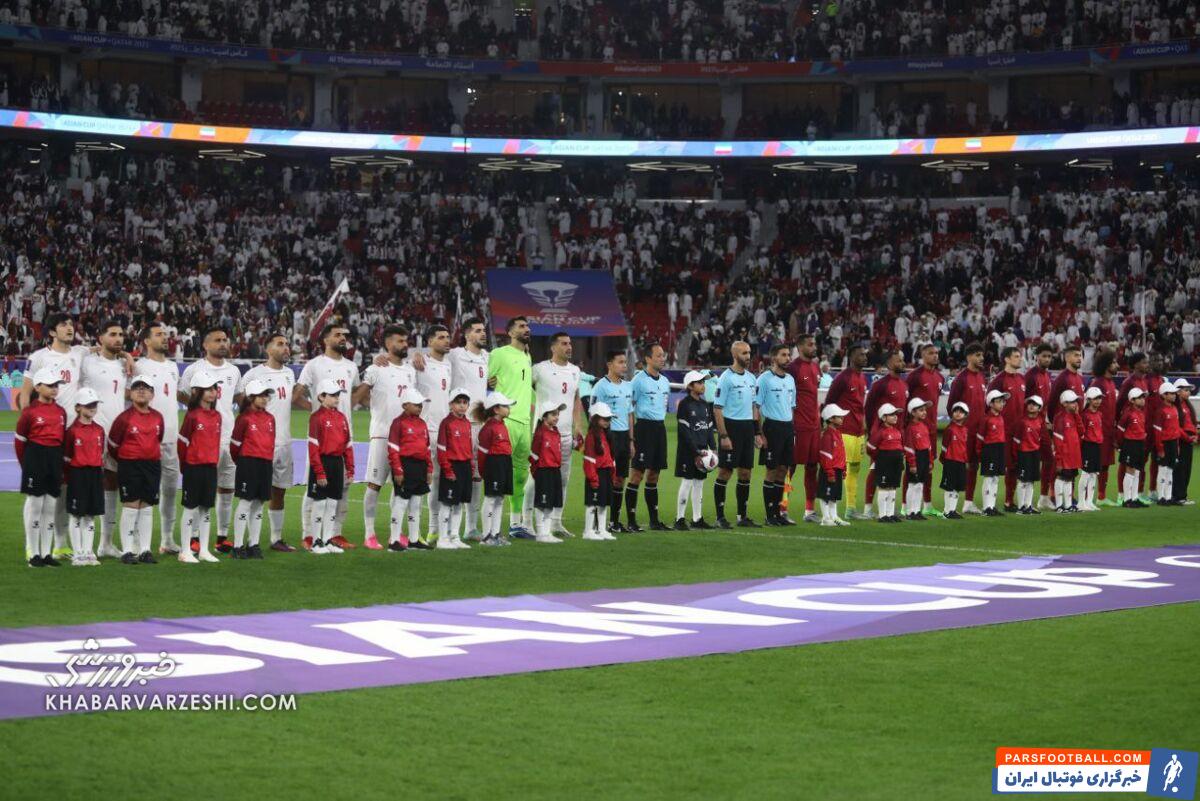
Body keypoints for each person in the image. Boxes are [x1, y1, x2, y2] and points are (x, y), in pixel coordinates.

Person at [19, 313, 92, 561]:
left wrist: (127, 356)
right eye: (63, 325)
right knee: (36, 495)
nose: (70, 328)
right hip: (45, 435)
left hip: (71, 433)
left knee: (61, 490)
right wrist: (30, 422)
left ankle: (59, 544)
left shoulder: (80, 353)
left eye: (71, 324)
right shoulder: (39, 357)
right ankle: (31, 547)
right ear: (51, 332)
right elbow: (25, 393)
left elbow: (103, 348)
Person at [296, 323, 360, 550]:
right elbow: (297, 393)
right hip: (321, 438)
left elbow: (357, 393)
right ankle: (308, 534)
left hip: (344, 433)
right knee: (314, 487)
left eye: (344, 335)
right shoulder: (314, 365)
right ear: (325, 340)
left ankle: (334, 534)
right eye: (337, 334)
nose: (343, 338)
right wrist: (316, 411)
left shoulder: (352, 366)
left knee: (342, 489)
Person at [178, 327, 242, 553]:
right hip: (203, 441)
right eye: (218, 340)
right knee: (200, 490)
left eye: (225, 340)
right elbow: (181, 393)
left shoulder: (234, 370)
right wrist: (199, 410)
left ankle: (222, 536)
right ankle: (194, 537)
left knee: (227, 489)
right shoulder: (194, 369)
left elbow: (239, 397)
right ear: (205, 345)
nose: (223, 343)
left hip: (228, 437)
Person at [237, 333, 300, 552]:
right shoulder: (254, 374)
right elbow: (242, 403)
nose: (286, 348)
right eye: (280, 344)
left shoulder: (290, 374)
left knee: (279, 491)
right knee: (254, 494)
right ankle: (247, 541)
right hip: (261, 446)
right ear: (268, 349)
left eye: (287, 344)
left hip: (285, 442)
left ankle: (276, 538)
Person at [354, 325, 415, 549]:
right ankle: (369, 534)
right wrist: (375, 406)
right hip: (382, 435)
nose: (405, 344)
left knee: (401, 486)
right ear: (388, 344)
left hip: (405, 438)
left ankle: (396, 533)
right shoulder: (376, 368)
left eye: (406, 341)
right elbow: (359, 397)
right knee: (374, 485)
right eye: (400, 341)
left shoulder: (410, 371)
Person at [81, 320, 133, 557]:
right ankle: (80, 544)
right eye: (112, 334)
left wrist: (127, 356)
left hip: (116, 435)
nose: (118, 338)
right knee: (88, 485)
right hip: (91, 433)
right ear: (100, 337)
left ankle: (106, 543)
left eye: (121, 334)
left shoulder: (124, 365)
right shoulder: (87, 361)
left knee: (112, 484)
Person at [134, 323, 183, 554]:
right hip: (147, 440)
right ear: (146, 341)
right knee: (142, 493)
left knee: (170, 492)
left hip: (171, 439)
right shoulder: (139, 366)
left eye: (165, 334)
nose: (165, 337)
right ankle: (136, 542)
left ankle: (167, 539)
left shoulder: (173, 367)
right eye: (158, 335)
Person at [530, 332, 585, 537]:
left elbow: (576, 398)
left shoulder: (575, 371)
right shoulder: (539, 369)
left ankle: (555, 523)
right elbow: (523, 389)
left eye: (570, 343)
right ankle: (526, 522)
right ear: (553, 347)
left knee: (563, 479)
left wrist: (578, 425)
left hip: (565, 435)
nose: (569, 347)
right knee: (536, 478)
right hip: (544, 436)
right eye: (564, 343)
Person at [108, 375, 166, 564]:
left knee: (147, 506)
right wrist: (127, 458)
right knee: (131, 505)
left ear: (152, 394)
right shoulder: (123, 418)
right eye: (136, 387)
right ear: (130, 394)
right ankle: (127, 551)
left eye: (146, 387)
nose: (141, 390)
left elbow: (158, 439)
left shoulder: (158, 417)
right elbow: (113, 445)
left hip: (152, 465)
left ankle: (145, 550)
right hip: (129, 465)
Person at [488, 316, 534, 538]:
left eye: (527, 326)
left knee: (520, 477)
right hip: (506, 422)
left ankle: (516, 524)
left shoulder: (527, 356)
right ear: (509, 332)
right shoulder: (499, 354)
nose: (527, 329)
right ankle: (489, 529)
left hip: (525, 423)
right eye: (521, 326)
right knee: (498, 475)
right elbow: (483, 380)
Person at [16, 368, 67, 567]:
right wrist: (27, 465)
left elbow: (62, 440)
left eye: (56, 385)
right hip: (35, 457)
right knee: (35, 504)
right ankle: (33, 553)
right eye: (50, 385)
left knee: (51, 505)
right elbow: (20, 441)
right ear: (37, 387)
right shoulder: (30, 412)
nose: (54, 389)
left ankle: (46, 553)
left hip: (54, 457)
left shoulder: (61, 412)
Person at [446, 317, 489, 540]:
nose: (483, 333)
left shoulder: (488, 357)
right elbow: (429, 356)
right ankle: (444, 528)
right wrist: (416, 357)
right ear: (466, 334)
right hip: (460, 425)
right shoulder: (455, 355)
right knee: (456, 474)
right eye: (478, 330)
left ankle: (470, 528)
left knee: (477, 477)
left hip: (481, 425)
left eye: (484, 330)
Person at [177, 372, 222, 563]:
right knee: (190, 508)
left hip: (210, 468)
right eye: (208, 389)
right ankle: (185, 551)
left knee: (206, 510)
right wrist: (185, 466)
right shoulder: (192, 416)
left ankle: (204, 549)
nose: (213, 392)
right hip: (193, 468)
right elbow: (182, 443)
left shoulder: (217, 416)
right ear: (198, 392)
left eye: (214, 388)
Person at [712, 341, 758, 528]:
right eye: (744, 353)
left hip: (747, 428)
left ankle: (742, 516)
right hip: (731, 428)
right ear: (734, 355)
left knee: (746, 473)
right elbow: (717, 408)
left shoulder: (751, 378)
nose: (748, 356)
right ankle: (720, 517)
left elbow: (754, 406)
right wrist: (723, 436)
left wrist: (757, 432)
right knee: (725, 471)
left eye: (749, 352)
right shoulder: (726, 378)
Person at [415, 324, 453, 546]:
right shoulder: (418, 363)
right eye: (441, 337)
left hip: (443, 432)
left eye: (448, 336)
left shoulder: (448, 364)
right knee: (421, 482)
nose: (446, 340)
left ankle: (433, 530)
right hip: (424, 431)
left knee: (438, 480)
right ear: (429, 341)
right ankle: (414, 532)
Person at [229, 380, 276, 559]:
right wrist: (242, 462)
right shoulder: (244, 418)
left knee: (259, 504)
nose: (264, 399)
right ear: (251, 397)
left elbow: (271, 442)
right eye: (260, 395)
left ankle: (253, 544)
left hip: (265, 463)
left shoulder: (270, 418)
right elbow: (234, 446)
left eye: (266, 395)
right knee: (246, 502)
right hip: (248, 463)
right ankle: (237, 546)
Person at [307, 379, 354, 554]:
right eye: (333, 395)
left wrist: (350, 468)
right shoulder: (316, 418)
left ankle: (327, 540)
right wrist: (319, 472)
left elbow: (347, 445)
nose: (337, 398)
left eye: (338, 395)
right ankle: (315, 542)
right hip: (322, 462)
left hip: (337, 464)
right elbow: (313, 447)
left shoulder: (342, 417)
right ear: (321, 396)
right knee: (320, 503)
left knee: (333, 503)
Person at [627, 344, 671, 531]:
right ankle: (631, 521)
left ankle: (654, 521)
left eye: (663, 355)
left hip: (660, 429)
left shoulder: (665, 381)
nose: (662, 358)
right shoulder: (638, 381)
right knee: (637, 474)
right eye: (658, 355)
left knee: (654, 475)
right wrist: (631, 437)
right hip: (643, 429)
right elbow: (629, 409)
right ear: (648, 359)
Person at [590, 350, 633, 532]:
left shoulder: (627, 386)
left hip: (623, 437)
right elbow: (593, 414)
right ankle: (596, 521)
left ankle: (614, 522)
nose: (624, 366)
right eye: (620, 362)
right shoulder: (600, 387)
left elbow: (630, 414)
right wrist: (598, 439)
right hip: (608, 436)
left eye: (625, 362)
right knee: (605, 478)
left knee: (620, 479)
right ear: (610, 364)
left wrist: (631, 440)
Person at [824, 345, 868, 519]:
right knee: (837, 470)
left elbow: (859, 406)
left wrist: (863, 426)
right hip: (844, 431)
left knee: (855, 469)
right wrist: (829, 427)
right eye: (860, 354)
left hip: (858, 432)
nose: (864, 357)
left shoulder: (862, 377)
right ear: (851, 357)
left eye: (865, 354)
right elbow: (829, 401)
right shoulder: (843, 378)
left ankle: (850, 509)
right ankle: (829, 510)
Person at [863, 350, 908, 518]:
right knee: (875, 469)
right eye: (898, 360)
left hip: (897, 436)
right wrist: (873, 431)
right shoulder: (880, 385)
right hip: (881, 436)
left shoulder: (904, 385)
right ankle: (868, 508)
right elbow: (869, 408)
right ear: (889, 363)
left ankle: (890, 508)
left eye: (902, 360)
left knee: (894, 470)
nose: (902, 363)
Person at [387, 389, 434, 550]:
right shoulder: (398, 423)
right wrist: (398, 470)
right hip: (405, 465)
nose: (420, 407)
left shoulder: (422, 423)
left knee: (416, 503)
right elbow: (393, 448)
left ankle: (414, 540)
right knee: (401, 502)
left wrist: (429, 469)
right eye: (416, 404)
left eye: (421, 405)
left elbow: (427, 448)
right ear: (405, 405)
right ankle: (394, 540)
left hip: (420, 466)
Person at [757, 344, 798, 525]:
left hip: (787, 428)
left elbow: (792, 406)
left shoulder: (790, 379)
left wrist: (792, 429)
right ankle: (769, 515)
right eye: (783, 355)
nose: (788, 358)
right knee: (771, 471)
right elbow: (756, 408)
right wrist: (759, 433)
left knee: (783, 470)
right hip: (772, 428)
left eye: (788, 355)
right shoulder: (764, 379)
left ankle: (777, 513)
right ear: (774, 358)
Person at [63, 388, 105, 566]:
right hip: (77, 475)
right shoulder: (72, 431)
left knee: (90, 514)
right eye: (88, 405)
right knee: (76, 514)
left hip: (95, 474)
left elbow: (101, 453)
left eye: (94, 404)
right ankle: (77, 553)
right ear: (78, 407)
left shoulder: (99, 430)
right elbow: (66, 456)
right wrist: (69, 477)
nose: (92, 408)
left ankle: (88, 552)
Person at [948, 343, 987, 514]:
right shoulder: (961, 379)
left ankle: (968, 502)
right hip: (964, 432)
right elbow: (951, 405)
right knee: (958, 466)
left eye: (982, 355)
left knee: (974, 466)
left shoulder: (982, 377)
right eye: (978, 355)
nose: (981, 358)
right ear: (969, 357)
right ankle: (951, 505)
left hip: (978, 432)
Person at [905, 344, 943, 517]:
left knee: (928, 467)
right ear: (922, 355)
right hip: (915, 430)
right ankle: (905, 506)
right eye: (930, 353)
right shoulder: (914, 376)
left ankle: (927, 504)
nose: (935, 356)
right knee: (911, 468)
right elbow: (906, 399)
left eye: (936, 353)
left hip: (931, 430)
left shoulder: (940, 377)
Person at [786, 335, 822, 522]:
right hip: (798, 426)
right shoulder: (793, 368)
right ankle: (782, 508)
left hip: (814, 426)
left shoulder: (815, 367)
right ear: (800, 347)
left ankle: (809, 511)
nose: (814, 347)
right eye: (810, 344)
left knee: (812, 467)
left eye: (814, 344)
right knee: (789, 467)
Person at [674, 369, 716, 530]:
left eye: (703, 382)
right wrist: (695, 451)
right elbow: (684, 432)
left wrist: (713, 448)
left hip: (703, 451)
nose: (703, 385)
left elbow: (709, 428)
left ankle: (697, 519)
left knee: (699, 484)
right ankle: (679, 519)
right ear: (690, 386)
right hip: (688, 451)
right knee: (687, 482)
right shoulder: (684, 405)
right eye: (699, 382)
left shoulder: (705, 405)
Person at [473, 392, 515, 547]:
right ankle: (486, 537)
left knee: (500, 499)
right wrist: (483, 471)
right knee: (491, 498)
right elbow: (482, 454)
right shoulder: (488, 429)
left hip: (504, 463)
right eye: (506, 406)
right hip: (494, 464)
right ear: (496, 409)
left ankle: (495, 534)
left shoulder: (502, 425)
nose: (509, 409)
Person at [435, 387, 474, 550]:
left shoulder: (467, 423)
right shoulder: (446, 423)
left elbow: (469, 447)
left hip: (465, 467)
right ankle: (442, 538)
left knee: (459, 504)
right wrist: (447, 469)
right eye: (458, 402)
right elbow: (441, 449)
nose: (462, 405)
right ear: (451, 404)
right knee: (447, 503)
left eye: (465, 402)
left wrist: (471, 466)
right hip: (452, 467)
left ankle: (455, 536)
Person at [988, 346, 1026, 511]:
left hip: (1020, 431)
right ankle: (995, 502)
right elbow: (988, 404)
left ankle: (1010, 500)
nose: (1020, 358)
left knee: (1016, 466)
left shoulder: (1022, 379)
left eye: (1020, 356)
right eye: (1016, 356)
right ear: (1007, 359)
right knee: (1004, 466)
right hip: (1004, 432)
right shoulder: (999, 380)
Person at [1115, 351, 1151, 504]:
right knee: (1126, 464)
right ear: (1135, 365)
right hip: (1129, 428)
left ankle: (1135, 496)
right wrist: (1120, 425)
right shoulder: (1129, 382)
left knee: (1137, 466)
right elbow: (1119, 404)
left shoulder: (1144, 381)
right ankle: (1122, 495)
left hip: (1140, 429)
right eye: (1144, 362)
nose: (1147, 365)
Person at [1087, 348, 1120, 507]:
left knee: (1105, 464)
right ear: (1106, 365)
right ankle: (1087, 498)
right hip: (1097, 432)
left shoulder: (1111, 383)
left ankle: (1101, 496)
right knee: (1094, 465)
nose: (1117, 365)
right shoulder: (1098, 383)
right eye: (1113, 362)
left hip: (1109, 432)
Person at [530, 401, 566, 543]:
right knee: (542, 503)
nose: (556, 417)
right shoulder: (540, 433)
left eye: (557, 414)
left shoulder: (556, 432)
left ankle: (547, 532)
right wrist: (537, 472)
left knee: (550, 503)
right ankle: (540, 533)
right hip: (543, 472)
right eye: (553, 414)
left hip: (555, 471)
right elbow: (533, 455)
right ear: (544, 417)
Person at [1024, 343, 1054, 509]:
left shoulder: (1047, 376)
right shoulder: (1030, 376)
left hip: (1042, 425)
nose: (1047, 359)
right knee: (1027, 461)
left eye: (1049, 356)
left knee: (1049, 459)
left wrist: (1047, 420)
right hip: (1029, 425)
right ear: (1037, 357)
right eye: (1044, 356)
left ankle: (1043, 497)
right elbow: (1023, 400)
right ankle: (1016, 500)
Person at [581, 402, 618, 541]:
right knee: (592, 503)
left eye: (609, 419)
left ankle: (601, 529)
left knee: (603, 503)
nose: (607, 421)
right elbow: (589, 460)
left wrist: (612, 473)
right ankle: (588, 531)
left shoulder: (606, 435)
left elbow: (610, 457)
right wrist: (593, 478)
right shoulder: (591, 436)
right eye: (604, 418)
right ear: (595, 419)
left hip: (606, 473)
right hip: (596, 474)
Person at [867, 403, 904, 523]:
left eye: (896, 414)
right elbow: (870, 448)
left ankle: (890, 514)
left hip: (896, 464)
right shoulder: (880, 432)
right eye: (892, 414)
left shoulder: (897, 432)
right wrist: (880, 458)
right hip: (884, 464)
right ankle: (882, 515)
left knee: (893, 487)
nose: (895, 416)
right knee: (884, 487)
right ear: (883, 417)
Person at [817, 404, 850, 527]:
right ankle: (825, 518)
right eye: (839, 417)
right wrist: (830, 472)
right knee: (826, 495)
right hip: (829, 471)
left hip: (837, 469)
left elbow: (841, 453)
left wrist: (843, 468)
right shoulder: (827, 435)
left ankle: (834, 517)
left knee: (834, 496)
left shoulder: (838, 433)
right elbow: (825, 456)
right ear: (831, 419)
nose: (842, 419)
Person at [978, 389, 1009, 516]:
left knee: (996, 478)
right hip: (989, 450)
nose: (1001, 404)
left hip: (999, 449)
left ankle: (992, 506)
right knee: (989, 478)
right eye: (998, 401)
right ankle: (986, 508)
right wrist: (980, 453)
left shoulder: (1001, 418)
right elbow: (980, 437)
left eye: (1002, 401)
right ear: (991, 403)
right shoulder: (986, 419)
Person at [1116, 386, 1149, 507]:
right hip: (1130, 444)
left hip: (1140, 444)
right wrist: (1121, 445)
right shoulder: (1128, 413)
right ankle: (1127, 499)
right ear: (1132, 400)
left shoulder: (1142, 413)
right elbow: (1120, 430)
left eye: (1143, 397)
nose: (1142, 400)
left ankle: (1134, 498)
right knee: (1129, 471)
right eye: (1139, 398)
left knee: (1137, 471)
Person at [1013, 396, 1045, 515]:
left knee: (1031, 480)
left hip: (1035, 453)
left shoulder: (1040, 422)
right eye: (1030, 403)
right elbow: (1016, 440)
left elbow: (1040, 438)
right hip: (1024, 454)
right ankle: (1021, 507)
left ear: (1039, 408)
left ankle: (1028, 505)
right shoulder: (1022, 422)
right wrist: (1016, 456)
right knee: (1023, 480)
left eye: (1034, 404)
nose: (1031, 406)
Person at [1052, 390, 1082, 513]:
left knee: (1070, 478)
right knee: (1061, 478)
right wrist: (1059, 460)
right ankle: (1059, 506)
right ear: (1064, 403)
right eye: (1072, 402)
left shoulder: (1074, 416)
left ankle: (1068, 505)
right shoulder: (1060, 418)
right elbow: (1057, 441)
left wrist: (1077, 415)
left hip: (1073, 455)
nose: (1075, 404)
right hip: (1064, 456)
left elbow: (1081, 431)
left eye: (1075, 401)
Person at [902, 398, 933, 521]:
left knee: (920, 485)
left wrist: (930, 461)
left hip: (924, 457)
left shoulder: (924, 426)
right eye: (921, 410)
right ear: (913, 412)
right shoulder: (910, 428)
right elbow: (909, 447)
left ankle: (917, 511)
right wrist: (912, 464)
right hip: (916, 457)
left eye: (925, 410)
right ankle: (910, 512)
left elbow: (928, 446)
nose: (924, 412)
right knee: (912, 485)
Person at [940, 402, 970, 519]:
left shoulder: (965, 430)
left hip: (961, 462)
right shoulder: (950, 429)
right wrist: (945, 460)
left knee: (957, 487)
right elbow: (944, 447)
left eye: (961, 412)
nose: (958, 413)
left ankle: (952, 510)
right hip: (950, 461)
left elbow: (965, 447)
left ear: (965, 415)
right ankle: (947, 511)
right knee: (949, 486)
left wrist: (966, 461)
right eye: (956, 411)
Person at [1153, 382, 1181, 505]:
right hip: (1164, 444)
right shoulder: (1160, 411)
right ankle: (1161, 497)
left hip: (1174, 443)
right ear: (1164, 395)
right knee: (1163, 469)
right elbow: (1157, 431)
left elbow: (1176, 429)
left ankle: (1168, 497)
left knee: (1170, 470)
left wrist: (1177, 445)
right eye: (1171, 393)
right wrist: (1160, 448)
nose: (1174, 395)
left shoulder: (1174, 409)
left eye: (1175, 393)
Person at [1079, 387, 1105, 512]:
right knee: (1085, 474)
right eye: (1095, 398)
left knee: (1094, 474)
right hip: (1087, 446)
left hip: (1097, 446)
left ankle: (1089, 501)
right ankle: (1081, 502)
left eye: (1099, 398)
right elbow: (1081, 432)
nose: (1098, 401)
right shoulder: (1084, 415)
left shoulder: (1100, 414)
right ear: (1089, 400)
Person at [1172, 378, 1196, 505]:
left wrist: (1195, 435)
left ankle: (1183, 496)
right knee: (1180, 469)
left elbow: (1192, 423)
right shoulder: (1175, 407)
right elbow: (1176, 426)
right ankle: (1178, 497)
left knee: (1187, 469)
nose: (1188, 392)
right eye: (1186, 390)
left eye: (1188, 390)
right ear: (1178, 392)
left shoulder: (1187, 405)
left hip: (1189, 440)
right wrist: (1188, 437)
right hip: (1181, 441)